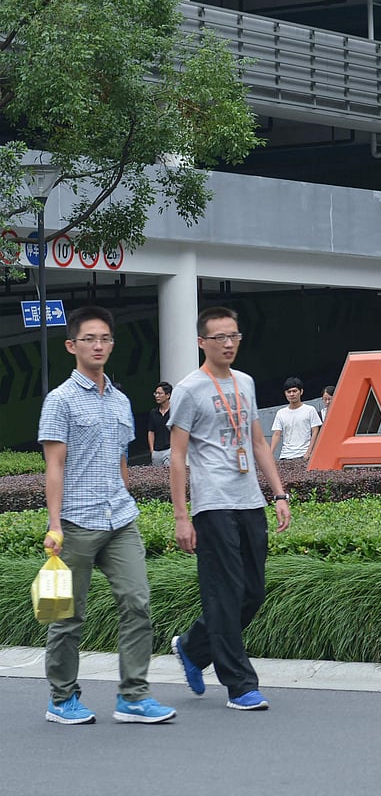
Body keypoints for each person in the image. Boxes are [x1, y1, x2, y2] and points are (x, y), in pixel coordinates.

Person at [38, 305, 176, 725]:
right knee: (66, 615)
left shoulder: (120, 400)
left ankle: (133, 696)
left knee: (137, 602)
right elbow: (54, 466)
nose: (98, 346)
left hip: (120, 520)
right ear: (71, 346)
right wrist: (55, 524)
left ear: (112, 345)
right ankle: (62, 699)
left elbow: (120, 461)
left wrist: (126, 497)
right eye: (89, 339)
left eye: (105, 339)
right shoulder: (59, 401)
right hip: (77, 523)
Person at [167, 306, 292, 711]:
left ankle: (192, 647)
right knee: (224, 594)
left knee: (252, 592)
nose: (228, 344)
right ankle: (240, 684)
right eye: (219, 337)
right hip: (213, 503)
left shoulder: (246, 382)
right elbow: (178, 456)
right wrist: (182, 518)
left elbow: (257, 442)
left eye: (234, 336)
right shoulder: (188, 389)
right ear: (202, 342)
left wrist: (278, 494)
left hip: (248, 500)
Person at [269, 377, 322, 462]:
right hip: (285, 456)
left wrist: (309, 452)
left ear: (301, 392)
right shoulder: (281, 413)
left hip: (304, 455)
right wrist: (270, 454)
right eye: (289, 392)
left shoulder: (310, 410)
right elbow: (276, 434)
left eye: (294, 391)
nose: (292, 394)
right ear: (285, 394)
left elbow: (315, 431)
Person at [147, 381, 173, 466]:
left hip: (170, 450)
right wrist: (152, 450)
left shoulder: (174, 411)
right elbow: (151, 431)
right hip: (156, 452)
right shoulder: (153, 412)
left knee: (169, 475)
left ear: (167, 395)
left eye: (160, 393)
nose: (157, 396)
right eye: (156, 393)